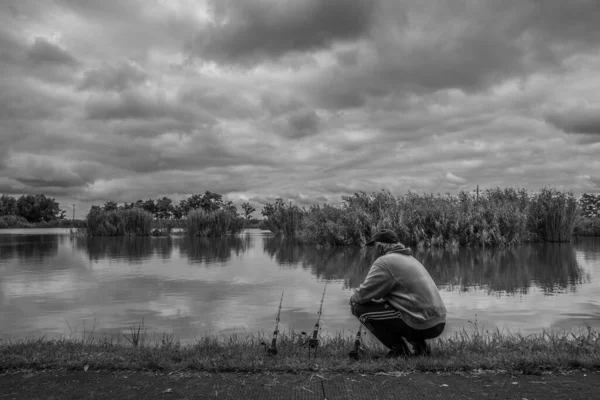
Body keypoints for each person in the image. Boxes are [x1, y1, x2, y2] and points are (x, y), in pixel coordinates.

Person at [349, 229, 446, 357]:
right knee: (397, 308)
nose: (370, 251)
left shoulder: (384, 262)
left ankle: (399, 350)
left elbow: (362, 295)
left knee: (359, 308)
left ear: (381, 247)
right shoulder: (410, 259)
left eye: (372, 246)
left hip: (422, 322)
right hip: (438, 320)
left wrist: (352, 298)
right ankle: (420, 348)